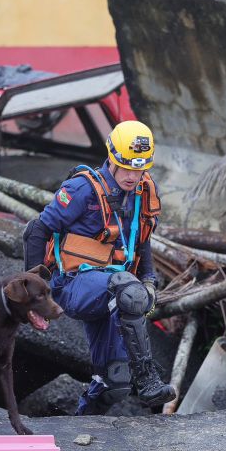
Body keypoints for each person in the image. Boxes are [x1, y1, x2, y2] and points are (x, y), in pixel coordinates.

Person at [23, 120, 176, 415]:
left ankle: (84, 424)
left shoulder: (145, 191)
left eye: (139, 169)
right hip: (72, 285)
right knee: (128, 288)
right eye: (126, 167)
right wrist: (33, 297)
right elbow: (36, 231)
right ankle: (148, 379)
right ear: (111, 157)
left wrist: (149, 280)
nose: (133, 176)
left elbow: (141, 241)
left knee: (115, 382)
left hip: (113, 293)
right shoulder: (82, 189)